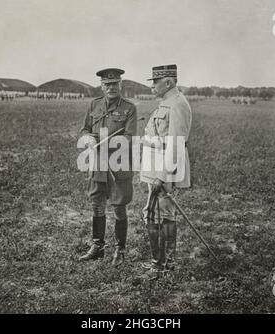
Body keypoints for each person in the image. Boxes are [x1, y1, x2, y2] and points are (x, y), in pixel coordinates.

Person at [79, 68, 137, 267]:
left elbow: (129, 138)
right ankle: (98, 246)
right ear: (102, 86)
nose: (111, 88)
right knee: (97, 206)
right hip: (98, 165)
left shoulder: (129, 108)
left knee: (119, 208)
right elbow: (85, 128)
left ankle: (120, 250)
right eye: (107, 84)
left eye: (115, 84)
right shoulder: (94, 105)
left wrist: (107, 143)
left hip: (118, 166)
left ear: (120, 85)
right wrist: (87, 139)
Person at [140, 64, 192, 279]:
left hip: (164, 170)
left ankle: (159, 266)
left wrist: (163, 175)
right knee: (160, 215)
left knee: (156, 215)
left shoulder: (177, 104)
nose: (152, 86)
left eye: (155, 82)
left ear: (168, 82)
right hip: (156, 167)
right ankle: (165, 264)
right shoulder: (167, 103)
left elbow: (176, 144)